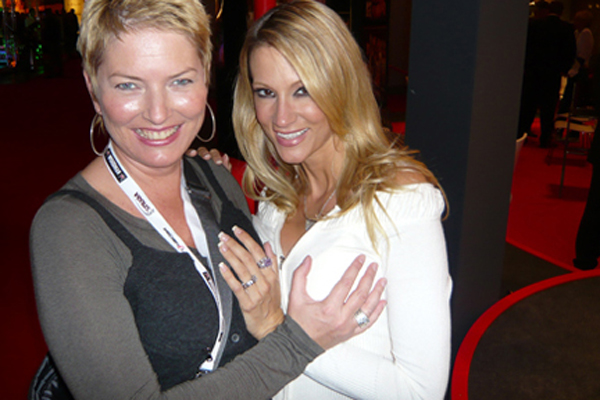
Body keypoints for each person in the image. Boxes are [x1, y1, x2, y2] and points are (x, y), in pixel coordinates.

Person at [28, 0, 387, 399]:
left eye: (180, 82)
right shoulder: (69, 230)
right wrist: (295, 345)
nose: (158, 113)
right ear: (93, 88)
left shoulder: (217, 179)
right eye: (128, 85)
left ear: (205, 79)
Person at [227, 1, 452, 398]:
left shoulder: (399, 202)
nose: (281, 117)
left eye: (302, 90)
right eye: (266, 93)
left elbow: (420, 391)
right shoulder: (277, 199)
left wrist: (279, 330)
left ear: (340, 86)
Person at [517, 1, 575, 146]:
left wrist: (526, 65)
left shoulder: (535, 25)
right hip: (552, 73)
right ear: (561, 12)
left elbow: (525, 46)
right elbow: (570, 52)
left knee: (528, 104)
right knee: (548, 107)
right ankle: (545, 137)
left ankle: (522, 133)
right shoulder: (566, 28)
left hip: (533, 71)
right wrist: (563, 68)